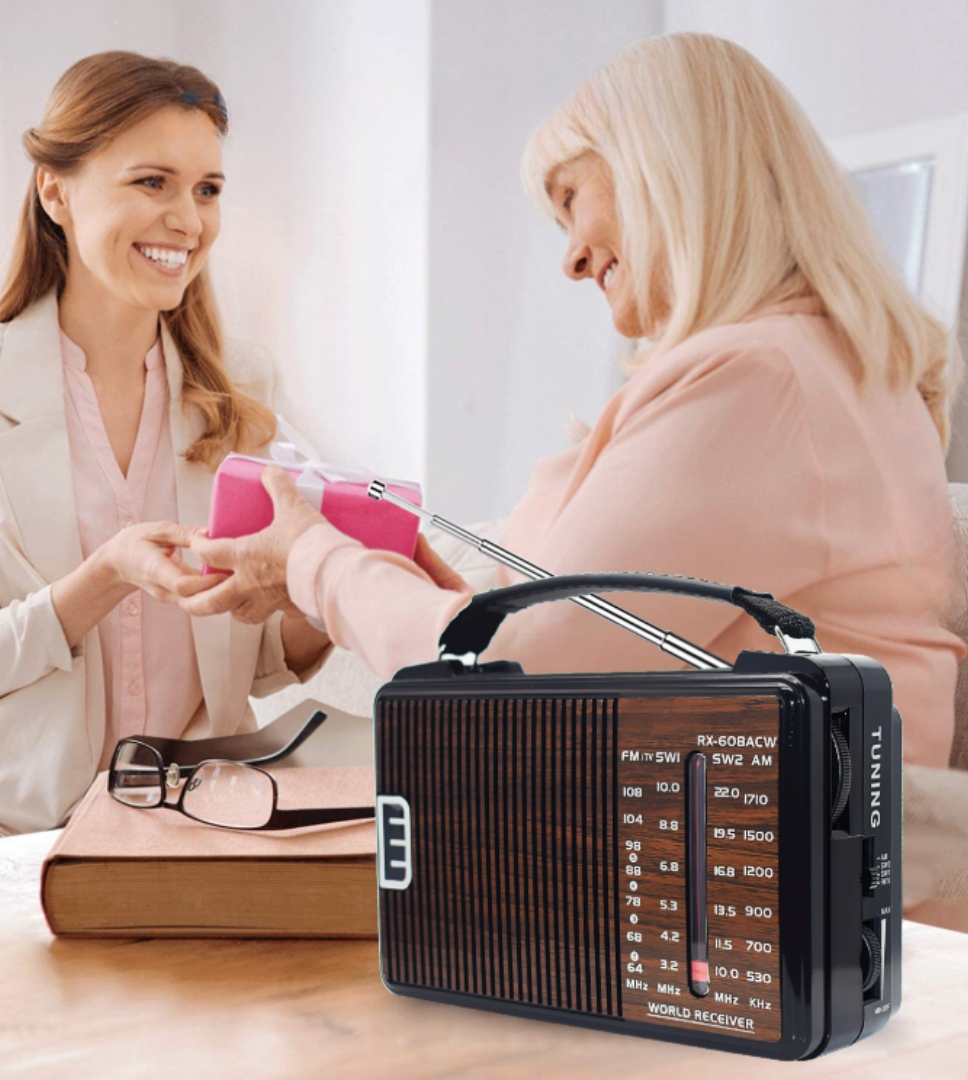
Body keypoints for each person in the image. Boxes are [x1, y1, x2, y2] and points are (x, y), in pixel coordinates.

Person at [182, 32, 967, 771]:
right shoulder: (815, 368)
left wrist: (313, 558)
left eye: (571, 198)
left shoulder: (760, 384)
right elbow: (575, 653)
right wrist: (449, 609)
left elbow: (517, 683)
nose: (572, 260)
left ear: (664, 164)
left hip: (767, 852)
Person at [0, 51, 331, 853]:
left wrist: (323, 590)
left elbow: (259, 658)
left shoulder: (242, 387)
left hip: (192, 806)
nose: (188, 221)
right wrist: (104, 577)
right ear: (55, 192)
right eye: (152, 182)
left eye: (207, 190)